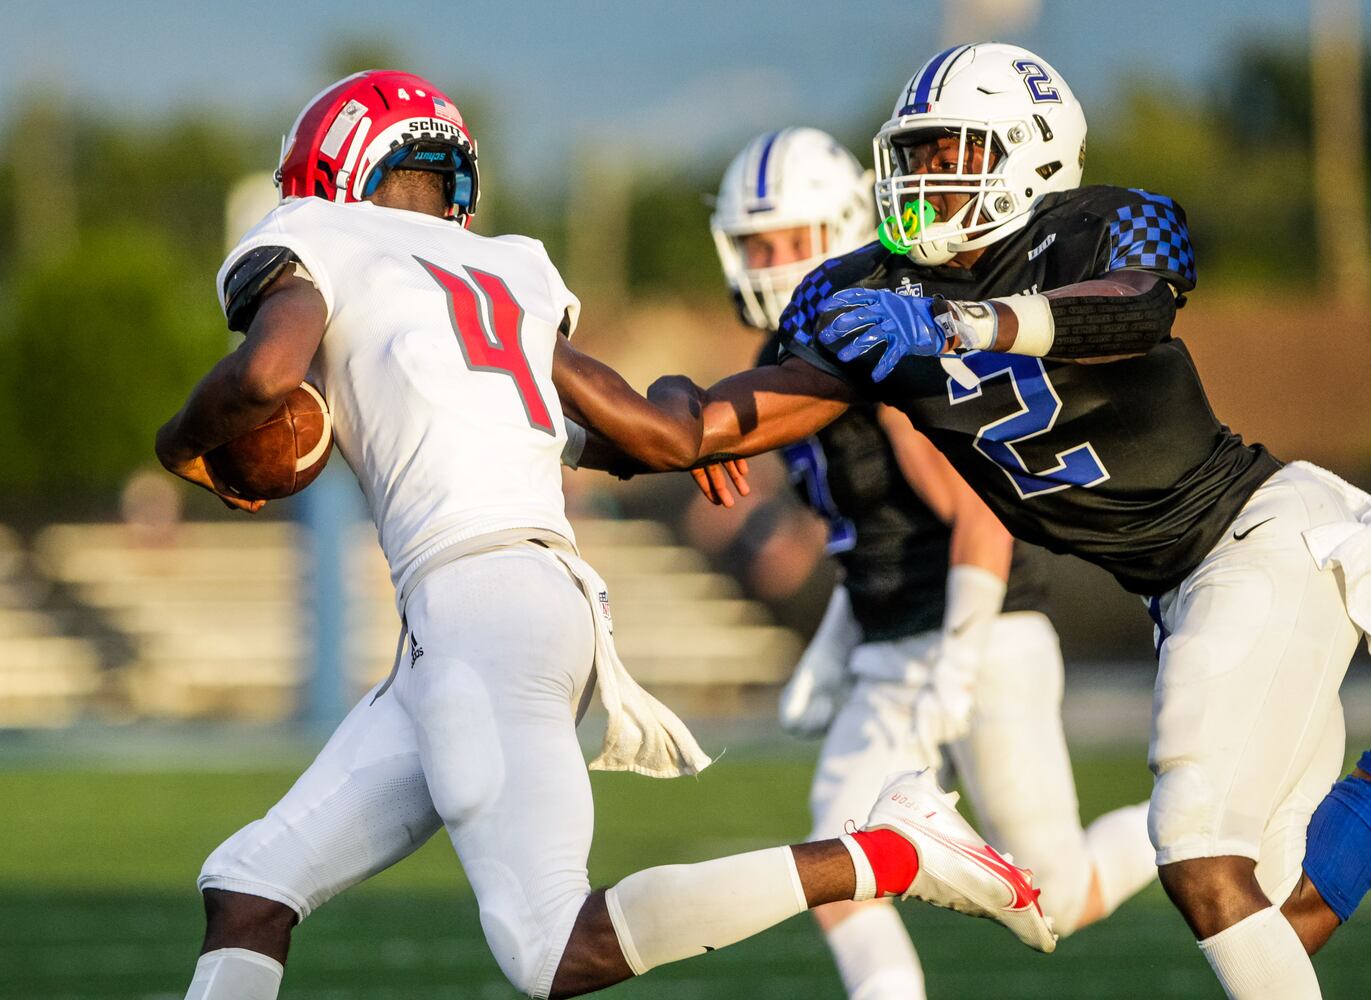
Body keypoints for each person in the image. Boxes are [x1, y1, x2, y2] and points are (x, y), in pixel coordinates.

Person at [154, 70, 1055, 1000]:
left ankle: (888, 851)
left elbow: (264, 376)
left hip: (479, 613)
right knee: (250, 885)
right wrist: (692, 422)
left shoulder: (317, 236)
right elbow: (650, 435)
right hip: (507, 611)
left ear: (329, 173)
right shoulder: (503, 268)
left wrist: (180, 446)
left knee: (551, 949)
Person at [557, 44, 1371, 1000]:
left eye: (953, 152)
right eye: (915, 152)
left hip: (1261, 533)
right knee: (1280, 914)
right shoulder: (877, 292)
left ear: (1029, 153)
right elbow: (692, 426)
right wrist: (613, 381)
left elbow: (1135, 308)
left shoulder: (1098, 226)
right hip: (1184, 585)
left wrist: (970, 327)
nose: (924, 179)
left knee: (1197, 858)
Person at [706, 126, 1155, 1000]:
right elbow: (862, 533)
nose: (765, 262)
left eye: (785, 242)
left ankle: (1210, 823)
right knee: (837, 854)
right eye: (753, 243)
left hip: (979, 632)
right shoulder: (784, 359)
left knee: (1052, 898)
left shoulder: (876, 345)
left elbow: (979, 512)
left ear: (837, 230)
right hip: (891, 648)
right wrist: (835, 645)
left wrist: (955, 658)